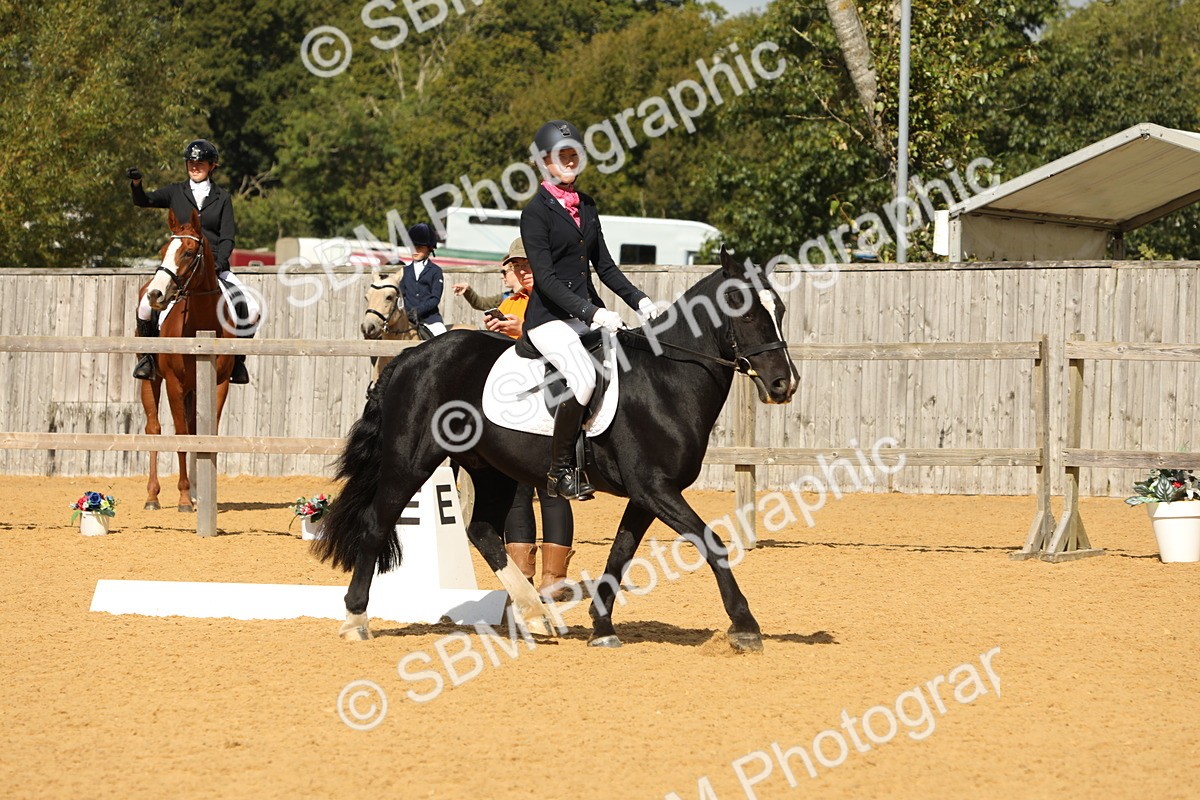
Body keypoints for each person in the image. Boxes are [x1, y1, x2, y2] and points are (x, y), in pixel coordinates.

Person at [519, 120, 660, 500]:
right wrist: (593, 313)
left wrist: (640, 300)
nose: (570, 161)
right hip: (549, 320)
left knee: (632, 363)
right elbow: (546, 280)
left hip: (585, 315)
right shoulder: (535, 213)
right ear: (544, 162)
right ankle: (559, 471)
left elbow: (606, 267)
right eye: (561, 155)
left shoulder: (587, 205)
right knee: (583, 379)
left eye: (574, 154)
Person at [484, 239, 576, 600]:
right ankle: (521, 576)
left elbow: (573, 342)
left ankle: (554, 579)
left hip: (554, 400)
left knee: (551, 485)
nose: (522, 271)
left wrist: (522, 331)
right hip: (517, 400)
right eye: (516, 266)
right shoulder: (511, 301)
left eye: (527, 264)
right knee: (516, 489)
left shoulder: (559, 296)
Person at [127, 139, 259, 384]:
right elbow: (144, 200)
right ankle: (148, 358)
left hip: (214, 268)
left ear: (211, 166)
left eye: (200, 163)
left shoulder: (222, 197)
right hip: (181, 267)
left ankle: (237, 361)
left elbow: (227, 237)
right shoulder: (175, 192)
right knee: (145, 307)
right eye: (191, 162)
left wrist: (219, 262)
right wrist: (137, 184)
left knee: (251, 309)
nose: (195, 167)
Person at [398, 222, 446, 339]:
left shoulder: (435, 271)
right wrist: (406, 312)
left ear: (429, 248)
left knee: (442, 338)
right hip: (408, 318)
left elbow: (435, 298)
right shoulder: (405, 271)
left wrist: (418, 311)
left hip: (430, 320)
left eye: (419, 248)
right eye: (412, 247)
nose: (415, 251)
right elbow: (402, 296)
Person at [451, 239, 524, 313]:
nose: (501, 276)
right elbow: (481, 304)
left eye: (504, 272)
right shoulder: (506, 297)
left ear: (515, 270)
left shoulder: (528, 298)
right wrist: (467, 290)